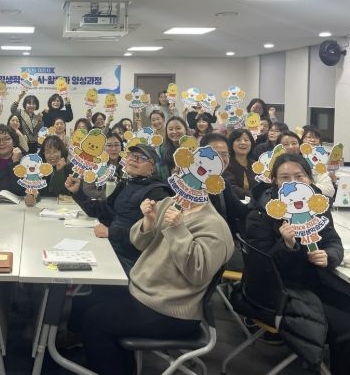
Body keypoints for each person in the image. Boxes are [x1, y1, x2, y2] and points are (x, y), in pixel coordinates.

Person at [79, 183, 233, 374]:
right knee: (88, 300)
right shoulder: (169, 204)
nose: (185, 183)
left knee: (95, 321)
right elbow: (139, 242)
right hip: (143, 291)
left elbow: (197, 272)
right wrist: (148, 221)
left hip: (171, 309)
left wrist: (177, 229)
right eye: (181, 174)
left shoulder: (215, 226)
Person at [246, 154, 350, 375]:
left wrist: (329, 255)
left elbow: (333, 240)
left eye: (299, 176)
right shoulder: (261, 214)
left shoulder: (316, 207)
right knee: (348, 330)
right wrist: (286, 245)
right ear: (274, 181)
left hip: (316, 280)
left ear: (309, 179)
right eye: (285, 178)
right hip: (282, 290)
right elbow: (260, 268)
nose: (293, 182)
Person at [66, 144, 172, 272]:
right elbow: (101, 210)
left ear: (152, 167)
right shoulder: (126, 184)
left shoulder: (158, 193)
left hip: (132, 260)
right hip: (111, 246)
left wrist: (111, 233)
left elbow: (152, 237)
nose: (133, 160)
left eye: (141, 158)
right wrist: (77, 192)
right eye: (131, 156)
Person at [278, 131, 335, 197]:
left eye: (294, 143)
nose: (291, 147)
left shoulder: (314, 163)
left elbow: (330, 190)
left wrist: (304, 184)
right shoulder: (272, 166)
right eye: (285, 144)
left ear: (300, 146)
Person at [82, 132, 124, 200]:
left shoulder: (127, 165)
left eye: (116, 145)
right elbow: (88, 189)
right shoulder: (95, 165)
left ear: (121, 147)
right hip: (101, 202)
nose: (113, 149)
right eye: (109, 145)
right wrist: (108, 194)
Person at [224, 129, 257, 199]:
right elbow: (232, 187)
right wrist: (253, 196)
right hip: (235, 203)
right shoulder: (226, 164)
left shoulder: (256, 165)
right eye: (238, 140)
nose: (243, 143)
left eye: (246, 140)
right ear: (231, 144)